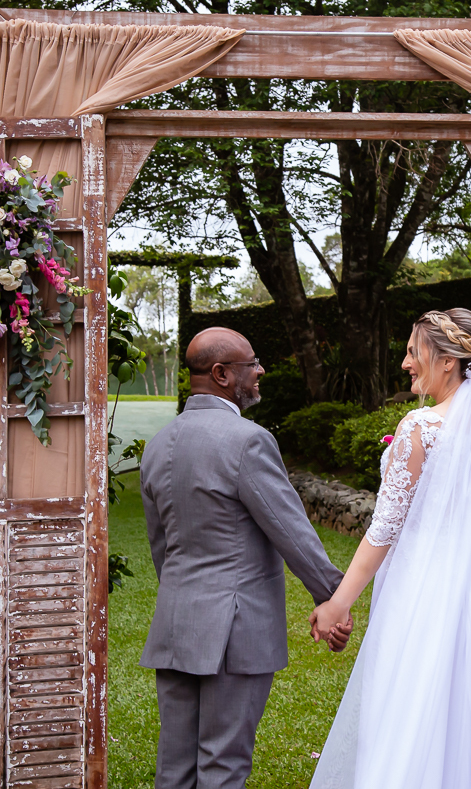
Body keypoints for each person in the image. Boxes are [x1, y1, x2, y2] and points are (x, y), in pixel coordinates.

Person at [308, 309, 471, 789]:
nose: (407, 363)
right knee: (464, 716)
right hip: (468, 598)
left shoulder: (420, 427)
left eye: (414, 352)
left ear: (447, 361)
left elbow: (384, 529)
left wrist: (338, 603)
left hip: (416, 596)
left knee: (403, 711)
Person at [139, 326, 353, 789]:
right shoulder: (247, 441)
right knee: (224, 765)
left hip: (176, 624)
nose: (260, 370)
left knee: (173, 768)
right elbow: (291, 531)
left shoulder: (156, 446)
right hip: (235, 633)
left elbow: (162, 550)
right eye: (250, 363)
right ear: (220, 374)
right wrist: (334, 599)